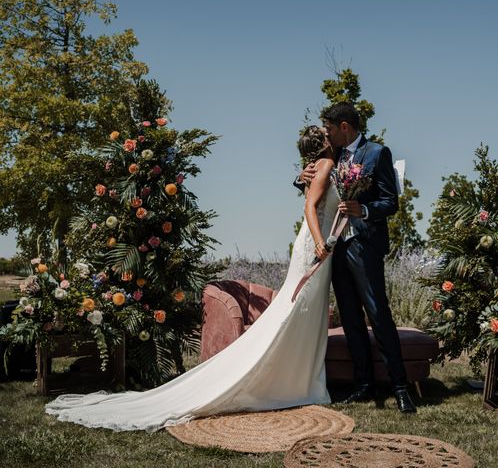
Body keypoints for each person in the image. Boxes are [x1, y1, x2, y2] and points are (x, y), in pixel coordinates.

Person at [45, 126, 338, 432]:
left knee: (302, 310)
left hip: (316, 244)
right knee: (298, 308)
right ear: (325, 144)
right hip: (315, 246)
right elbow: (310, 207)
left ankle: (299, 378)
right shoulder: (326, 165)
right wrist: (320, 243)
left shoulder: (316, 167)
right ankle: (296, 381)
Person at [297, 102, 416, 413]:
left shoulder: (377, 153)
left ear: (345, 126)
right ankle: (362, 385)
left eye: (330, 128)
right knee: (350, 317)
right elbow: (318, 190)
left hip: (364, 245)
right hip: (336, 249)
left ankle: (401, 387)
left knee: (378, 314)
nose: (327, 134)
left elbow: (390, 202)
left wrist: (363, 210)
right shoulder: (331, 156)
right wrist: (301, 177)